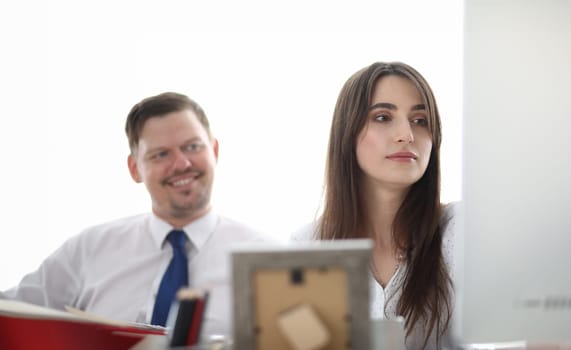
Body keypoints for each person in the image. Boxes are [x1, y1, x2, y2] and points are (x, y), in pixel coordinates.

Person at [1, 92, 270, 337]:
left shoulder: (265, 260)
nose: (182, 164)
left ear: (214, 151)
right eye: (161, 154)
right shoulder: (88, 249)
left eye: (192, 147)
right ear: (135, 169)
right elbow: (10, 313)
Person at [291, 62, 456, 350]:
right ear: (348, 134)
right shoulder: (307, 246)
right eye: (382, 117)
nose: (406, 134)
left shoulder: (459, 231)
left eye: (420, 120)